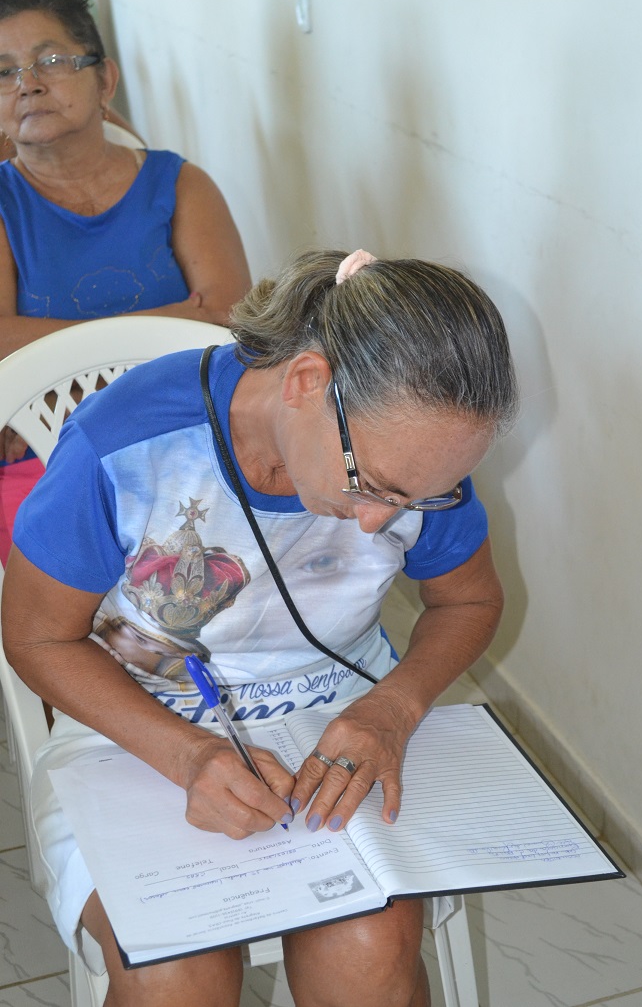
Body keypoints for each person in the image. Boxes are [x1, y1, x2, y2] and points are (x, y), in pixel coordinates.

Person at [2, 248, 519, 1007]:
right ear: (307, 382)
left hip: (344, 728)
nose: (380, 520)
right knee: (175, 971)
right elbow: (36, 636)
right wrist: (188, 757)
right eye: (372, 485)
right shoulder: (125, 444)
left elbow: (468, 602)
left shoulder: (415, 461)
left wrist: (394, 707)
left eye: (419, 498)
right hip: (134, 727)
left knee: (368, 949)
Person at [0, 0, 251, 562]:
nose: (27, 84)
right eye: (3, 71)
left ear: (105, 79)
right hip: (44, 454)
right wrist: (169, 322)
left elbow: (228, 324)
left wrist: (54, 360)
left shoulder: (182, 185)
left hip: (189, 439)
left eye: (51, 60)